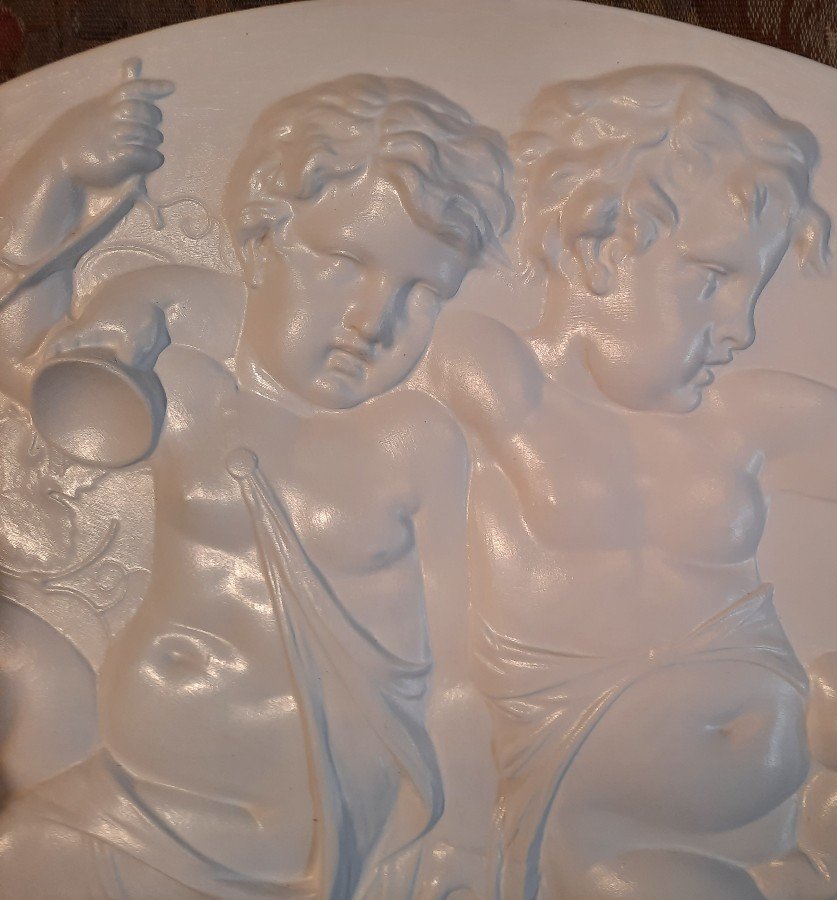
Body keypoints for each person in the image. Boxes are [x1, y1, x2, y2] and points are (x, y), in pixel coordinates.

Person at [421, 65, 837, 898]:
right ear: (599, 246)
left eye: (753, 289)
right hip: (599, 836)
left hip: (801, 817)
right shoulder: (487, 373)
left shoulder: (744, 416)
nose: (743, 327)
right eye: (712, 280)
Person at [0, 67, 511, 898]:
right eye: (344, 261)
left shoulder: (412, 443)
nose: (374, 319)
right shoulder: (185, 392)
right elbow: (17, 342)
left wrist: (466, 839)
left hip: (308, 842)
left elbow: (458, 674)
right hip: (135, 804)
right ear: (260, 241)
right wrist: (56, 168)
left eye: (422, 291)